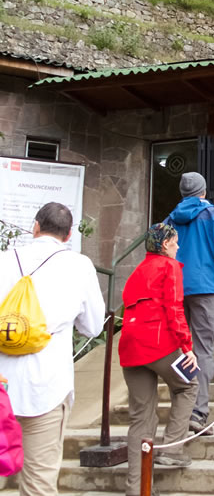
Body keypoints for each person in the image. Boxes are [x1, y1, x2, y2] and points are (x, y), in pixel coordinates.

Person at [0, 202, 105, 495]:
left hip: (2, 386)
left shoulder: (5, 260)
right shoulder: (79, 265)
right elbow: (94, 326)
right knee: (39, 481)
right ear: (69, 234)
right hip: (45, 388)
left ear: (35, 226)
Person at [119, 223, 199, 496]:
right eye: (175, 243)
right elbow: (174, 307)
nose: (178, 247)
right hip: (159, 341)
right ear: (165, 244)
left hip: (130, 346)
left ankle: (138, 489)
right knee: (188, 386)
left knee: (140, 418)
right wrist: (187, 346)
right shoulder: (169, 267)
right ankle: (173, 448)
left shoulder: (137, 271)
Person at [164, 172, 214, 436]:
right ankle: (198, 411)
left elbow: (158, 251)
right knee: (204, 349)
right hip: (206, 288)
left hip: (174, 288)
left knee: (181, 349)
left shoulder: (170, 219)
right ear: (203, 191)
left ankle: (182, 411)